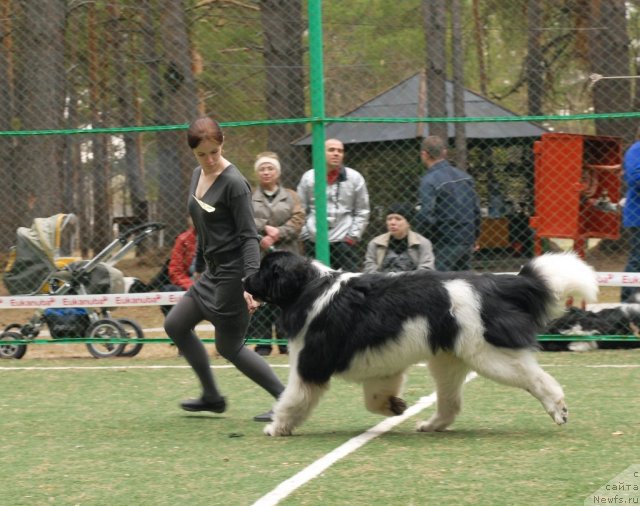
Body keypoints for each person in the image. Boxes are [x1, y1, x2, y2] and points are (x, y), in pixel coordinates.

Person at [163, 116, 284, 422]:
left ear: (222, 144)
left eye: (214, 152)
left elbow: (248, 237)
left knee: (228, 346)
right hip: (211, 273)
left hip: (235, 272)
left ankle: (287, 402)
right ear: (193, 153)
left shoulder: (235, 184)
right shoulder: (196, 175)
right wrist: (200, 267)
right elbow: (202, 225)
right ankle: (212, 397)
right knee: (176, 325)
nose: (209, 159)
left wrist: (252, 284)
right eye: (201, 154)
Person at [249, 151, 305, 356]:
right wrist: (264, 229)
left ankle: (286, 342)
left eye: (270, 168)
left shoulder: (291, 196)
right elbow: (243, 219)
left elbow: (298, 219)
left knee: (286, 298)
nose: (266, 172)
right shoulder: (249, 197)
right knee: (261, 297)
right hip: (260, 255)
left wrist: (279, 233)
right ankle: (262, 342)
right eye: (262, 169)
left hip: (287, 254)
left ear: (277, 172)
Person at [297, 138, 370, 271]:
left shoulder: (354, 178)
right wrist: (306, 235)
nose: (336, 153)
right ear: (321, 152)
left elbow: (362, 211)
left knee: (349, 284)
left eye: (340, 151)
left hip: (344, 241)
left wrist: (351, 237)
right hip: (314, 240)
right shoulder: (308, 178)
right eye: (331, 150)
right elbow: (300, 209)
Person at [415, 135, 481, 271]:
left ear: (424, 154)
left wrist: (425, 238)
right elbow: (476, 210)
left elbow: (426, 214)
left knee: (440, 282)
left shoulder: (429, 181)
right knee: (464, 281)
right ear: (444, 152)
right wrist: (475, 235)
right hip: (466, 237)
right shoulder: (465, 177)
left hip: (444, 241)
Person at [364, 203, 435, 273]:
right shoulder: (375, 243)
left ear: (408, 223)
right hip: (382, 282)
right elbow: (370, 270)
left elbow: (426, 271)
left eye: (398, 219)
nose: (392, 222)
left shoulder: (422, 243)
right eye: (389, 219)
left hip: (412, 283)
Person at [158, 217, 197, 317]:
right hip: (191, 284)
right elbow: (175, 271)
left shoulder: (218, 238)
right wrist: (191, 286)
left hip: (215, 283)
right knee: (168, 290)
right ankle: (181, 328)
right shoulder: (183, 240)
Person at [621, 128, 640, 302]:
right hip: (638, 216)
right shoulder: (636, 149)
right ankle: (627, 302)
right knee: (637, 259)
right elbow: (635, 177)